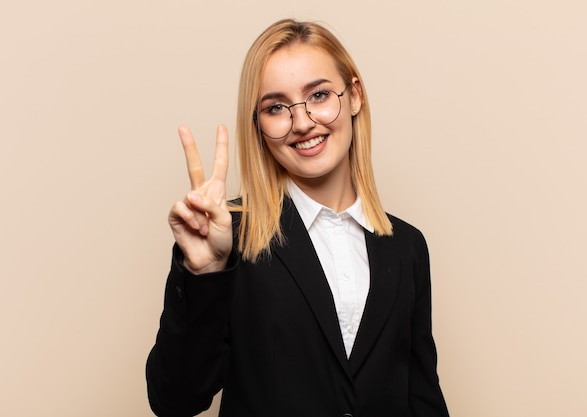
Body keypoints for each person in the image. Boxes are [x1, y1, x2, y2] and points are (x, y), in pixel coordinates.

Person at [146, 18, 449, 417]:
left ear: (354, 96)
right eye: (276, 107)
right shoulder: (227, 240)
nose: (303, 121)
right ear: (258, 126)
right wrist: (205, 272)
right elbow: (176, 399)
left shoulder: (408, 247)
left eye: (320, 94)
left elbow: (422, 398)